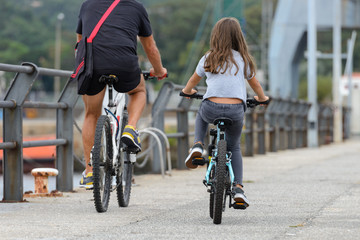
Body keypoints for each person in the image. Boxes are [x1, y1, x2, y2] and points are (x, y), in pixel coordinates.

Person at [76, 0, 167, 188]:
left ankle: (90, 172)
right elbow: (150, 47)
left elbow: (79, 43)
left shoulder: (87, 5)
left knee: (91, 114)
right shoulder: (136, 7)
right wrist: (159, 70)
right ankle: (130, 128)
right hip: (124, 64)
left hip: (93, 65)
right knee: (139, 90)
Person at [181, 17, 269, 208]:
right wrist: (262, 99)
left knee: (201, 113)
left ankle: (197, 145)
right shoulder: (244, 59)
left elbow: (192, 82)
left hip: (211, 107)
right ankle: (238, 188)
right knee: (234, 147)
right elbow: (256, 85)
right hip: (236, 110)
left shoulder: (208, 58)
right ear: (239, 37)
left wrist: (187, 92)